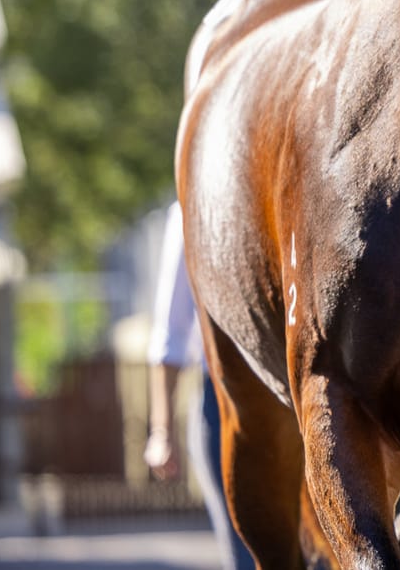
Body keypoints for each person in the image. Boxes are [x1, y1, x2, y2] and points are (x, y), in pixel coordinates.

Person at [144, 200, 253, 570]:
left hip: (296, 403)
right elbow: (170, 334)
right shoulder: (193, 208)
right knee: (245, 552)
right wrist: (161, 432)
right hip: (225, 403)